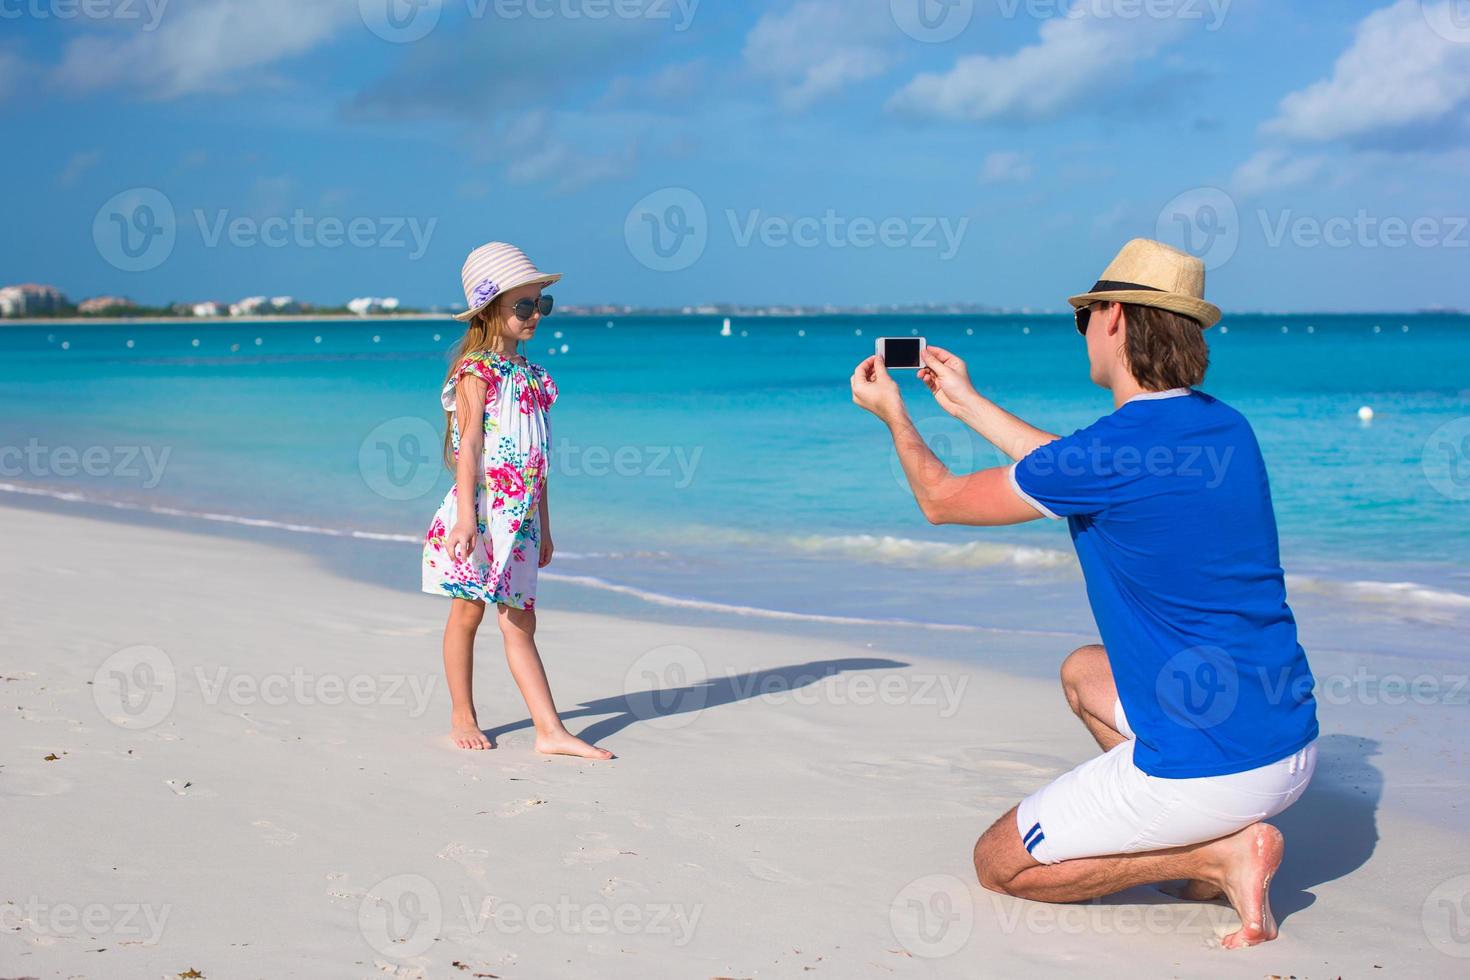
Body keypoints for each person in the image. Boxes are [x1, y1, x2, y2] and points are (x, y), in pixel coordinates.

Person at [850, 239, 1318, 948]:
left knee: (997, 865)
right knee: (1084, 671)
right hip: (1289, 742)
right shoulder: (1224, 425)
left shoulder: (1111, 453)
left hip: (1217, 765)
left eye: (1085, 316)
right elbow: (1071, 470)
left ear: (1117, 320)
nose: (1084, 332)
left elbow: (941, 500)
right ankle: (1206, 841)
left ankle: (1216, 854)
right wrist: (967, 403)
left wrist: (896, 417)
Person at [422, 241, 612, 760]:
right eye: (523, 306)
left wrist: (545, 526)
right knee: (467, 612)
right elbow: (470, 451)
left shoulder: (533, 377)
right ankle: (463, 714)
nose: (535, 315)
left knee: (521, 621)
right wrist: (466, 519)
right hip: (479, 515)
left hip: (522, 520)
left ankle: (549, 731)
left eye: (540, 305)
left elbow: (538, 459)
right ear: (490, 310)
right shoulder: (475, 372)